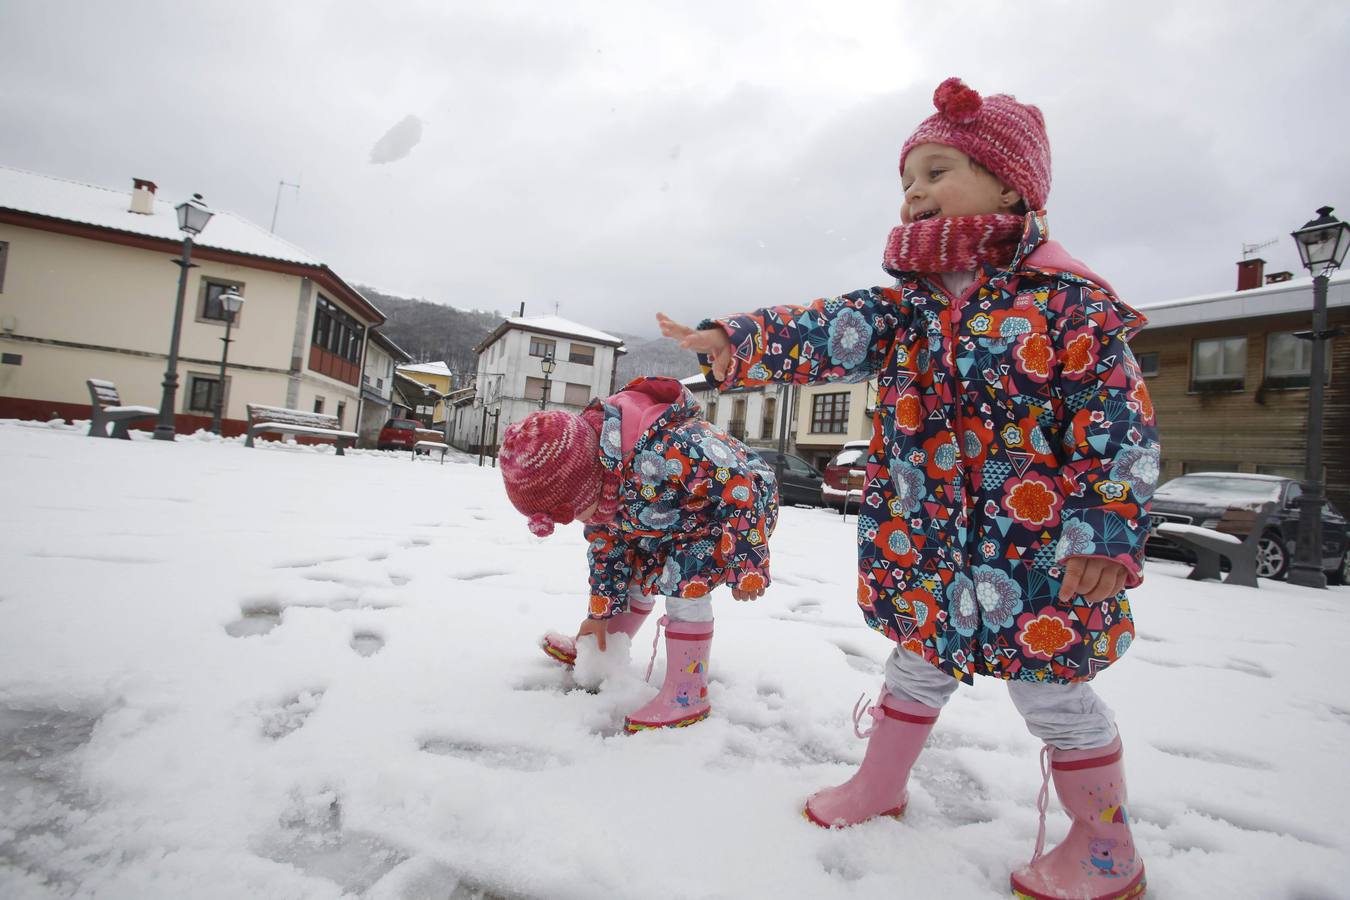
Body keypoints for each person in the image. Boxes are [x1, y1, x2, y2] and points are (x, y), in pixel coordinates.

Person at [658, 77, 1157, 900]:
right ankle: (879, 786)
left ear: (1010, 185)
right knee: (915, 664)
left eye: (937, 170)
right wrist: (731, 337)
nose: (915, 192)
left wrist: (1105, 531)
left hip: (1039, 552)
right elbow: (820, 326)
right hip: (925, 539)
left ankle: (1107, 848)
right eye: (906, 180)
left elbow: (1121, 426)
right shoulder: (909, 308)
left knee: (1054, 697)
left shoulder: (1071, 307)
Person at [498, 375, 778, 733]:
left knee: (683, 577)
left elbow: (738, 486)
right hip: (662, 514)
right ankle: (602, 650)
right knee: (629, 560)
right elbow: (607, 553)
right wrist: (598, 615)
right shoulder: (606, 488)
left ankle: (688, 693)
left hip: (734, 511)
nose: (570, 523)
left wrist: (747, 558)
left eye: (567, 514)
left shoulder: (670, 447)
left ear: (586, 485)